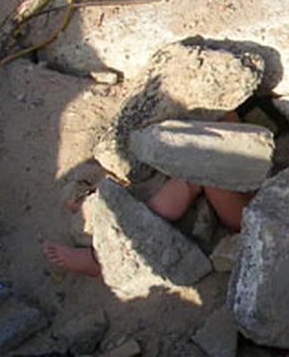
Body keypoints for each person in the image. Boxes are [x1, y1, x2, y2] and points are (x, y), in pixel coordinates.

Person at [44, 112, 253, 277]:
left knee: (198, 169)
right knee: (193, 159)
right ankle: (108, 217)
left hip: (255, 211)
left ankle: (103, 257)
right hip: (251, 183)